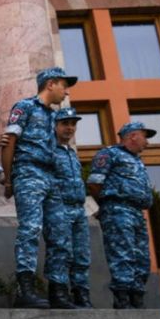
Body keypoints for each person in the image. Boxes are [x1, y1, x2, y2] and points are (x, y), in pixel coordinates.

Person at [0, 67, 77, 308]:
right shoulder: (25, 107)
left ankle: (58, 291)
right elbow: (9, 141)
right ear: (51, 84)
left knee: (60, 235)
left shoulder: (55, 117)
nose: (65, 93)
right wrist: (10, 178)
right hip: (29, 173)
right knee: (30, 230)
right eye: (64, 86)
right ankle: (26, 290)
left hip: (52, 178)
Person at [87, 122, 155, 309]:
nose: (147, 142)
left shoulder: (137, 160)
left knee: (142, 257)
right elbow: (95, 183)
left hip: (136, 213)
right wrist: (108, 206)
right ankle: (123, 297)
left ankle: (137, 295)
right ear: (133, 136)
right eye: (144, 136)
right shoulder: (109, 154)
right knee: (122, 255)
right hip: (118, 210)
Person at [46, 107, 92, 308]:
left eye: (73, 124)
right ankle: (59, 293)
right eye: (65, 123)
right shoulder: (48, 150)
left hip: (78, 209)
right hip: (58, 207)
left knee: (81, 254)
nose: (70, 128)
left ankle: (81, 293)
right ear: (54, 126)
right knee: (60, 251)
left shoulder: (71, 153)